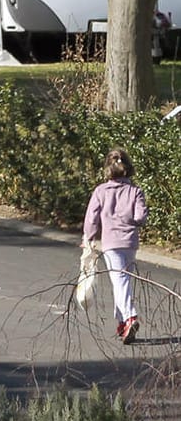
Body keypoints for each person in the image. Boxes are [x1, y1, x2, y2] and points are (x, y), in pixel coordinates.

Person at [83, 147, 148, 344]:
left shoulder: (101, 191)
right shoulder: (136, 191)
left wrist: (89, 238)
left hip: (111, 242)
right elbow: (140, 217)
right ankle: (121, 322)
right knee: (122, 280)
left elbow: (91, 218)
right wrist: (130, 219)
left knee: (119, 279)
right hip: (130, 242)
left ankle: (130, 316)